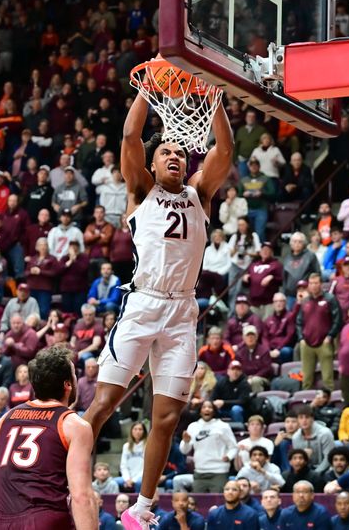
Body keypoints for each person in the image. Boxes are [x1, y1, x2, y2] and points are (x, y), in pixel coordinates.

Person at [82, 83, 234, 529]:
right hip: (142, 304)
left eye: (181, 154)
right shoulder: (140, 191)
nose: (176, 158)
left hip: (182, 311)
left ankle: (141, 509)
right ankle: (56, 473)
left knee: (166, 417)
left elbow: (223, 149)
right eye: (167, 152)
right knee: (105, 401)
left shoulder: (200, 196)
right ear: (151, 163)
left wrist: (217, 102)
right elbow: (130, 137)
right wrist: (147, 92)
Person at [0, 345, 97, 530]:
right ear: (68, 384)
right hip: (44, 520)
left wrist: (14, 502)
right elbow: (81, 497)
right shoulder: (74, 425)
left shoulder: (7, 418)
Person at [177, 400, 238, 493]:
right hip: (199, 472)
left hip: (219, 471)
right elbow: (184, 451)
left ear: (214, 410)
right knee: (197, 503)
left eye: (210, 407)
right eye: (204, 407)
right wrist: (186, 442)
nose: (207, 409)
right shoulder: (193, 426)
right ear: (200, 411)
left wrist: (229, 456)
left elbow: (234, 447)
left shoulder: (223, 426)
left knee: (217, 502)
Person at [297, 273, 342, 390]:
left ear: (321, 284)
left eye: (316, 283)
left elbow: (338, 319)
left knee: (327, 378)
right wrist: (301, 339)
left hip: (324, 342)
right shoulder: (305, 301)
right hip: (306, 343)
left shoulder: (330, 299)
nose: (313, 286)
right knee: (306, 378)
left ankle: (330, 405)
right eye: (311, 283)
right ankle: (306, 403)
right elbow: (299, 322)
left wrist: (330, 336)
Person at [293, 404, 335, 474]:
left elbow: (328, 458)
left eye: (307, 417)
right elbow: (297, 460)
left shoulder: (325, 433)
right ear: (297, 420)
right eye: (301, 418)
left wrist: (315, 474)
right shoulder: (296, 437)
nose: (304, 421)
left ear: (312, 419)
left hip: (325, 470)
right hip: (306, 471)